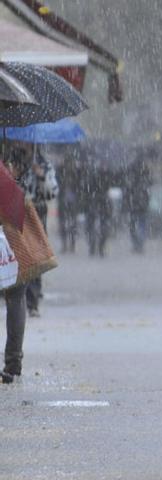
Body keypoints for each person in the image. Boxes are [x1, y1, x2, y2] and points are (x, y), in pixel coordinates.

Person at [1, 160, 59, 384]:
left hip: (11, 239)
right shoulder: (7, 172)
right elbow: (17, 205)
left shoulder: (36, 163)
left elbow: (49, 192)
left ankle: (13, 361)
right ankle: (13, 363)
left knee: (16, 298)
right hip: (14, 240)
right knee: (17, 299)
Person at [6, 142, 58, 317]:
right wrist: (13, 176)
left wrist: (41, 176)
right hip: (14, 212)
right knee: (17, 254)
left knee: (36, 256)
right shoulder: (11, 161)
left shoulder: (44, 164)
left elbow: (52, 193)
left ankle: (32, 299)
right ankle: (15, 294)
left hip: (36, 213)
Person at [125, 151, 152, 254]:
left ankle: (136, 244)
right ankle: (140, 244)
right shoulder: (145, 170)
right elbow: (149, 183)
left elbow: (127, 186)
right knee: (142, 223)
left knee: (133, 224)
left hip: (133, 203)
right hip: (142, 202)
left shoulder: (130, 169)